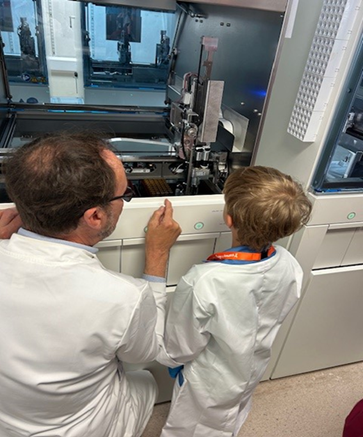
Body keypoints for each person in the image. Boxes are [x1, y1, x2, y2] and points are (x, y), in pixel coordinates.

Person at [0, 132, 181, 437]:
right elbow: (145, 352)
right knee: (144, 379)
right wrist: (157, 254)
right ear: (95, 216)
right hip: (81, 429)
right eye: (125, 195)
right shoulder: (122, 296)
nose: (125, 201)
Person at [156, 166, 312, 437]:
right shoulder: (289, 263)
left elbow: (177, 350)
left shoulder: (204, 280)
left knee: (195, 429)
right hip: (251, 370)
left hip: (208, 384)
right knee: (232, 418)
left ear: (228, 219)